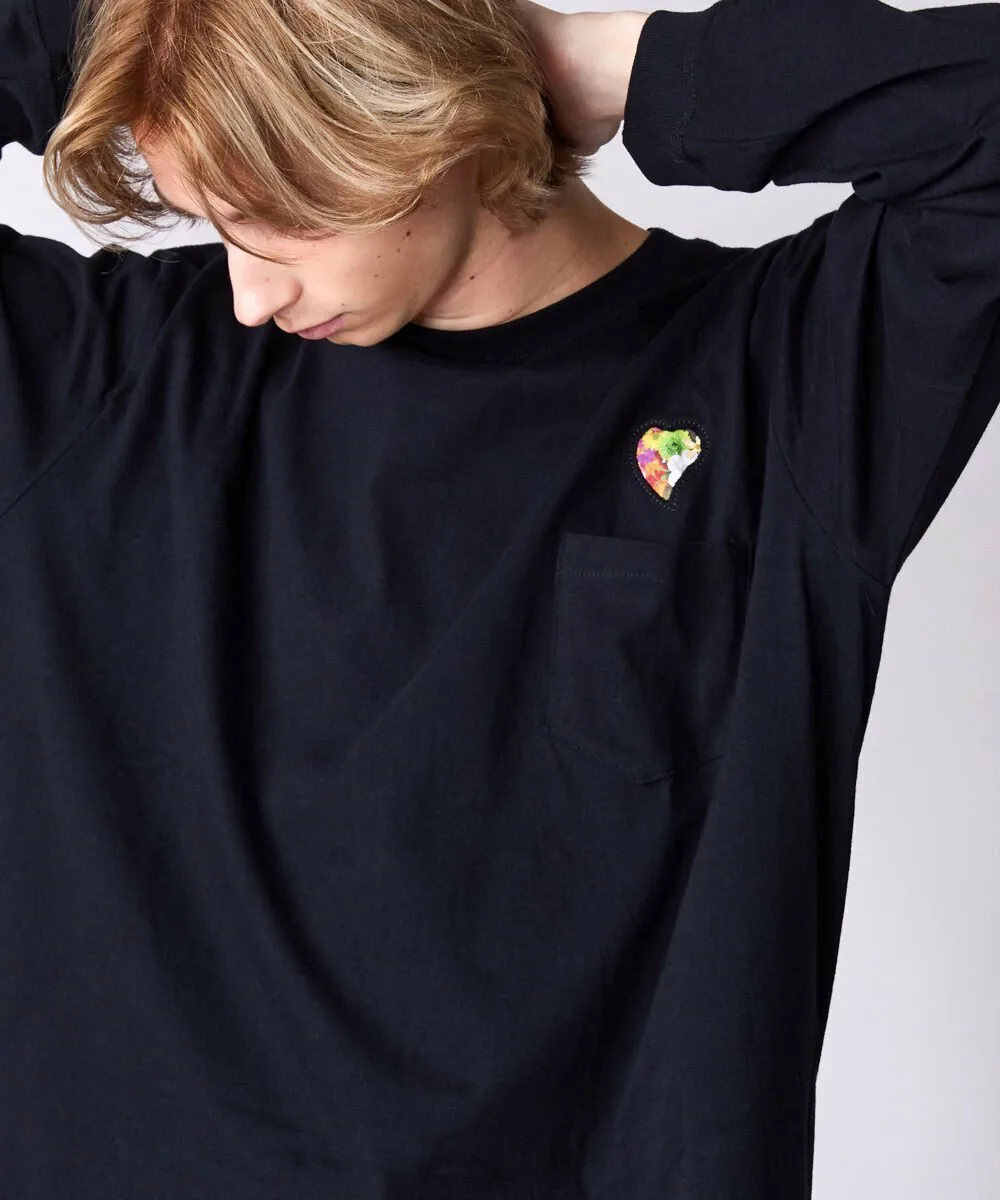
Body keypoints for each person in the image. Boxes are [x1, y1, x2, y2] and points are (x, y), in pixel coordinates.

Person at [1, 0, 997, 1196]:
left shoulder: (785, 382)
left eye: (275, 219)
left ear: (413, 127)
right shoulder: (100, 383)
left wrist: (611, 63)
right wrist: (171, 29)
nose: (250, 293)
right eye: (217, 226)